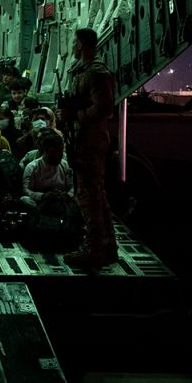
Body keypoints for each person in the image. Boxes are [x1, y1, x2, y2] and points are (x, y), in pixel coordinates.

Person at [57, 27, 118, 269]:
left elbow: (104, 107)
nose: (72, 46)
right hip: (83, 138)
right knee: (96, 194)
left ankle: (93, 250)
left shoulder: (96, 72)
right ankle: (107, 246)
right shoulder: (84, 70)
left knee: (88, 195)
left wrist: (77, 114)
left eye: (74, 42)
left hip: (91, 140)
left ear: (81, 44)